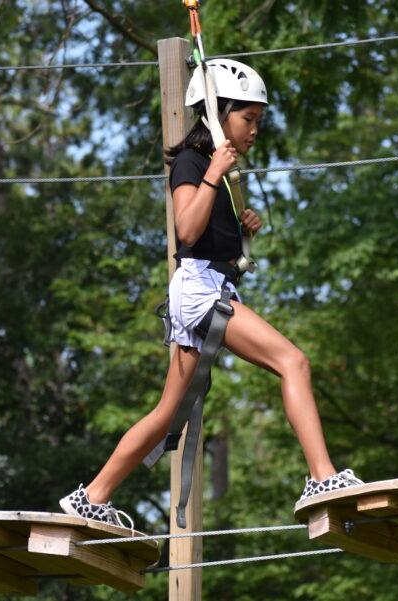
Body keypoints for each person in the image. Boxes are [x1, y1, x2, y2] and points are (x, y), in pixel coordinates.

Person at [59, 59, 362, 529]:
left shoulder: (218, 171)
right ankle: (323, 478)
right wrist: (212, 173)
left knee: (168, 413)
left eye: (259, 120)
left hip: (209, 286)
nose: (255, 130)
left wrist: (243, 235)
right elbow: (185, 229)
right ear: (218, 114)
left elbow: (212, 244)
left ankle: (92, 497)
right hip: (199, 290)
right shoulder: (192, 161)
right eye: (248, 118)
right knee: (294, 362)